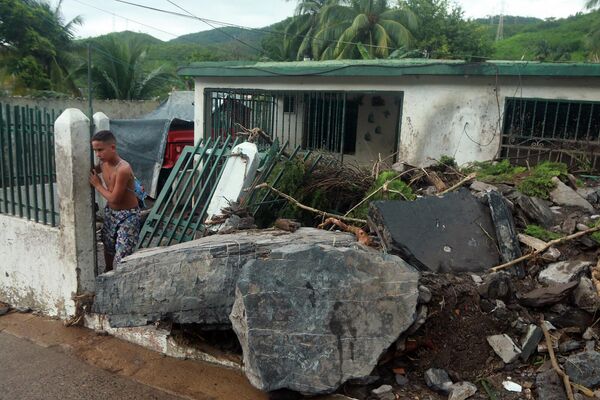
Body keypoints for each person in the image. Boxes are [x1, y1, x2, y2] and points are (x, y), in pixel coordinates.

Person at [89, 130, 141, 271]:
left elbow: (115, 198)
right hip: (111, 212)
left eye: (100, 150)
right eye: (95, 151)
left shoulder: (123, 169)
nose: (98, 154)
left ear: (112, 147)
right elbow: (91, 170)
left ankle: (121, 280)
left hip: (128, 216)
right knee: (108, 247)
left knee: (122, 255)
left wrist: (98, 185)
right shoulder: (103, 164)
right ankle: (108, 273)